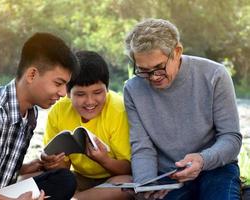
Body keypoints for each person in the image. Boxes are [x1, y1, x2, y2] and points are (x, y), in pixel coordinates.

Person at [123, 18, 242, 200]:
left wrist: (202, 160)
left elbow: (231, 138)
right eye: (143, 70)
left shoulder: (215, 75)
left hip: (216, 169)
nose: (153, 77)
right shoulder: (132, 89)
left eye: (159, 68)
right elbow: (142, 147)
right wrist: (145, 185)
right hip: (168, 177)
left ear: (177, 51)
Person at [0, 32, 79, 200]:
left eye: (66, 85)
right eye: (58, 83)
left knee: (64, 179)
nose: (63, 93)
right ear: (32, 75)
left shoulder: (30, 114)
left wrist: (34, 166)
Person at [42, 50, 132, 200]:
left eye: (97, 92)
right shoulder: (59, 110)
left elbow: (128, 168)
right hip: (78, 178)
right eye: (80, 94)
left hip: (110, 179)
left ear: (107, 89)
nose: (90, 101)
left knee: (127, 184)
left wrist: (104, 160)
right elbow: (62, 171)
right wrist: (52, 162)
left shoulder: (118, 110)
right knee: (28, 177)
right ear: (68, 93)